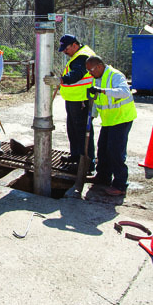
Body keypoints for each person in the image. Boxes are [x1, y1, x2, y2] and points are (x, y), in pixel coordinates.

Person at [85, 55, 137, 196]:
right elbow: (97, 100)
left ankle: (120, 185)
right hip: (109, 120)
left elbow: (124, 92)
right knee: (103, 149)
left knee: (115, 151)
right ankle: (103, 177)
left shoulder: (115, 75)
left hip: (121, 119)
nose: (90, 74)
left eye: (91, 70)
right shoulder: (96, 78)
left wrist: (102, 90)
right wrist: (92, 115)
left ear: (99, 66)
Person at [53, 34, 96, 170]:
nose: (65, 52)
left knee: (83, 132)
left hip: (81, 100)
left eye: (66, 49)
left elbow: (77, 74)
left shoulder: (83, 56)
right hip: (74, 99)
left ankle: (87, 164)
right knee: (73, 130)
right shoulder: (78, 55)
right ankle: (76, 156)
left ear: (74, 45)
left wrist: (61, 80)